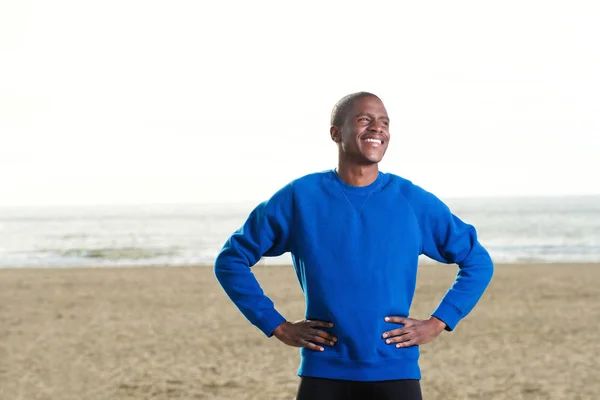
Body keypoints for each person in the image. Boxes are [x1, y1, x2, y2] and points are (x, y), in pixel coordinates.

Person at [214, 92, 494, 400]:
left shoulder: (411, 200)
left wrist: (439, 322)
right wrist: (277, 325)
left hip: (395, 371)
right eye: (365, 120)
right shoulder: (300, 197)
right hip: (323, 371)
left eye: (384, 122)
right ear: (336, 132)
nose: (377, 128)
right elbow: (231, 260)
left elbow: (477, 261)